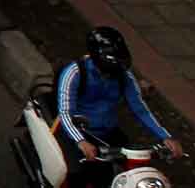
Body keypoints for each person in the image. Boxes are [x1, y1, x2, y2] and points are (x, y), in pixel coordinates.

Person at [57, 27, 182, 188]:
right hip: (77, 134)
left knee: (128, 171)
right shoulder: (73, 73)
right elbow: (66, 112)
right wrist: (80, 140)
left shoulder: (125, 76)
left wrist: (165, 137)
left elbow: (140, 109)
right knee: (75, 175)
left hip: (108, 133)